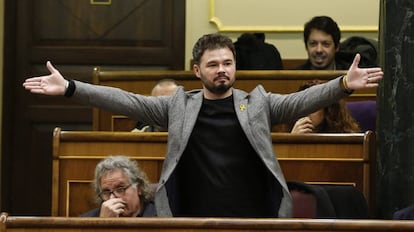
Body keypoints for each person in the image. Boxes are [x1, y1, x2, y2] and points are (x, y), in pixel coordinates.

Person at [23, 33, 383, 218]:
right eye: (213, 64)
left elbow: (298, 102)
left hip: (253, 217)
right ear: (198, 70)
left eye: (228, 62)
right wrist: (71, 87)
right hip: (191, 217)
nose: (222, 69)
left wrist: (342, 85)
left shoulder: (256, 102)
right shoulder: (180, 105)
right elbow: (126, 100)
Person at [80, 155, 156, 217]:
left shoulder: (160, 216)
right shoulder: (86, 221)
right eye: (106, 192)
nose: (112, 198)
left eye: (120, 189)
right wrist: (103, 225)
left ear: (138, 187)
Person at [290, 80, 361, 133]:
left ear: (328, 110)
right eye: (301, 105)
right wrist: (292, 140)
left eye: (312, 106)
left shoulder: (345, 138)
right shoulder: (290, 130)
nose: (305, 111)